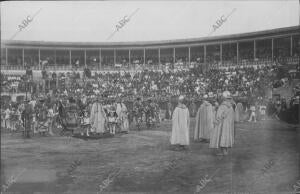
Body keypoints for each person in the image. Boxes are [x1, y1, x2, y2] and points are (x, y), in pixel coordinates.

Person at [209, 91, 235, 156]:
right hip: (229, 124)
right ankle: (226, 150)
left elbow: (218, 116)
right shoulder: (231, 107)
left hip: (222, 124)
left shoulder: (222, 106)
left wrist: (215, 122)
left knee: (222, 136)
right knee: (227, 136)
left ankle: (223, 151)